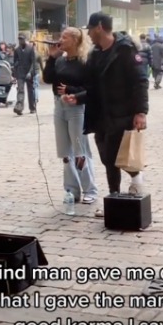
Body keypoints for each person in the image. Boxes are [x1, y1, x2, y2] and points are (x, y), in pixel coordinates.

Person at [77, 12, 149, 217]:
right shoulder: (95, 54)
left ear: (99, 27)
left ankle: (118, 195)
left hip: (122, 113)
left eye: (90, 29)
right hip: (100, 115)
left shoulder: (126, 50)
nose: (89, 33)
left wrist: (141, 112)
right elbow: (88, 83)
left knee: (115, 157)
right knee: (107, 158)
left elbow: (140, 81)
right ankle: (119, 194)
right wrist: (78, 97)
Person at [43, 27, 99, 206]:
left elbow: (90, 88)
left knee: (80, 150)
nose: (60, 40)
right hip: (59, 106)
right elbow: (48, 78)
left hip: (76, 108)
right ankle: (71, 190)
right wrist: (51, 57)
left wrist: (71, 91)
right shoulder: (60, 60)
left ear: (75, 40)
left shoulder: (85, 61)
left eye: (64, 37)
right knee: (64, 152)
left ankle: (90, 189)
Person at [12, 34, 38, 115]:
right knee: (20, 90)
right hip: (20, 73)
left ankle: (32, 107)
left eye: (22, 39)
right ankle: (19, 107)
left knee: (30, 90)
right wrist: (15, 72)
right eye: (19, 39)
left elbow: (33, 62)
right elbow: (14, 61)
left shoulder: (30, 48)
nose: (20, 41)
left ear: (25, 39)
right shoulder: (16, 50)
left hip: (29, 72)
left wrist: (30, 72)